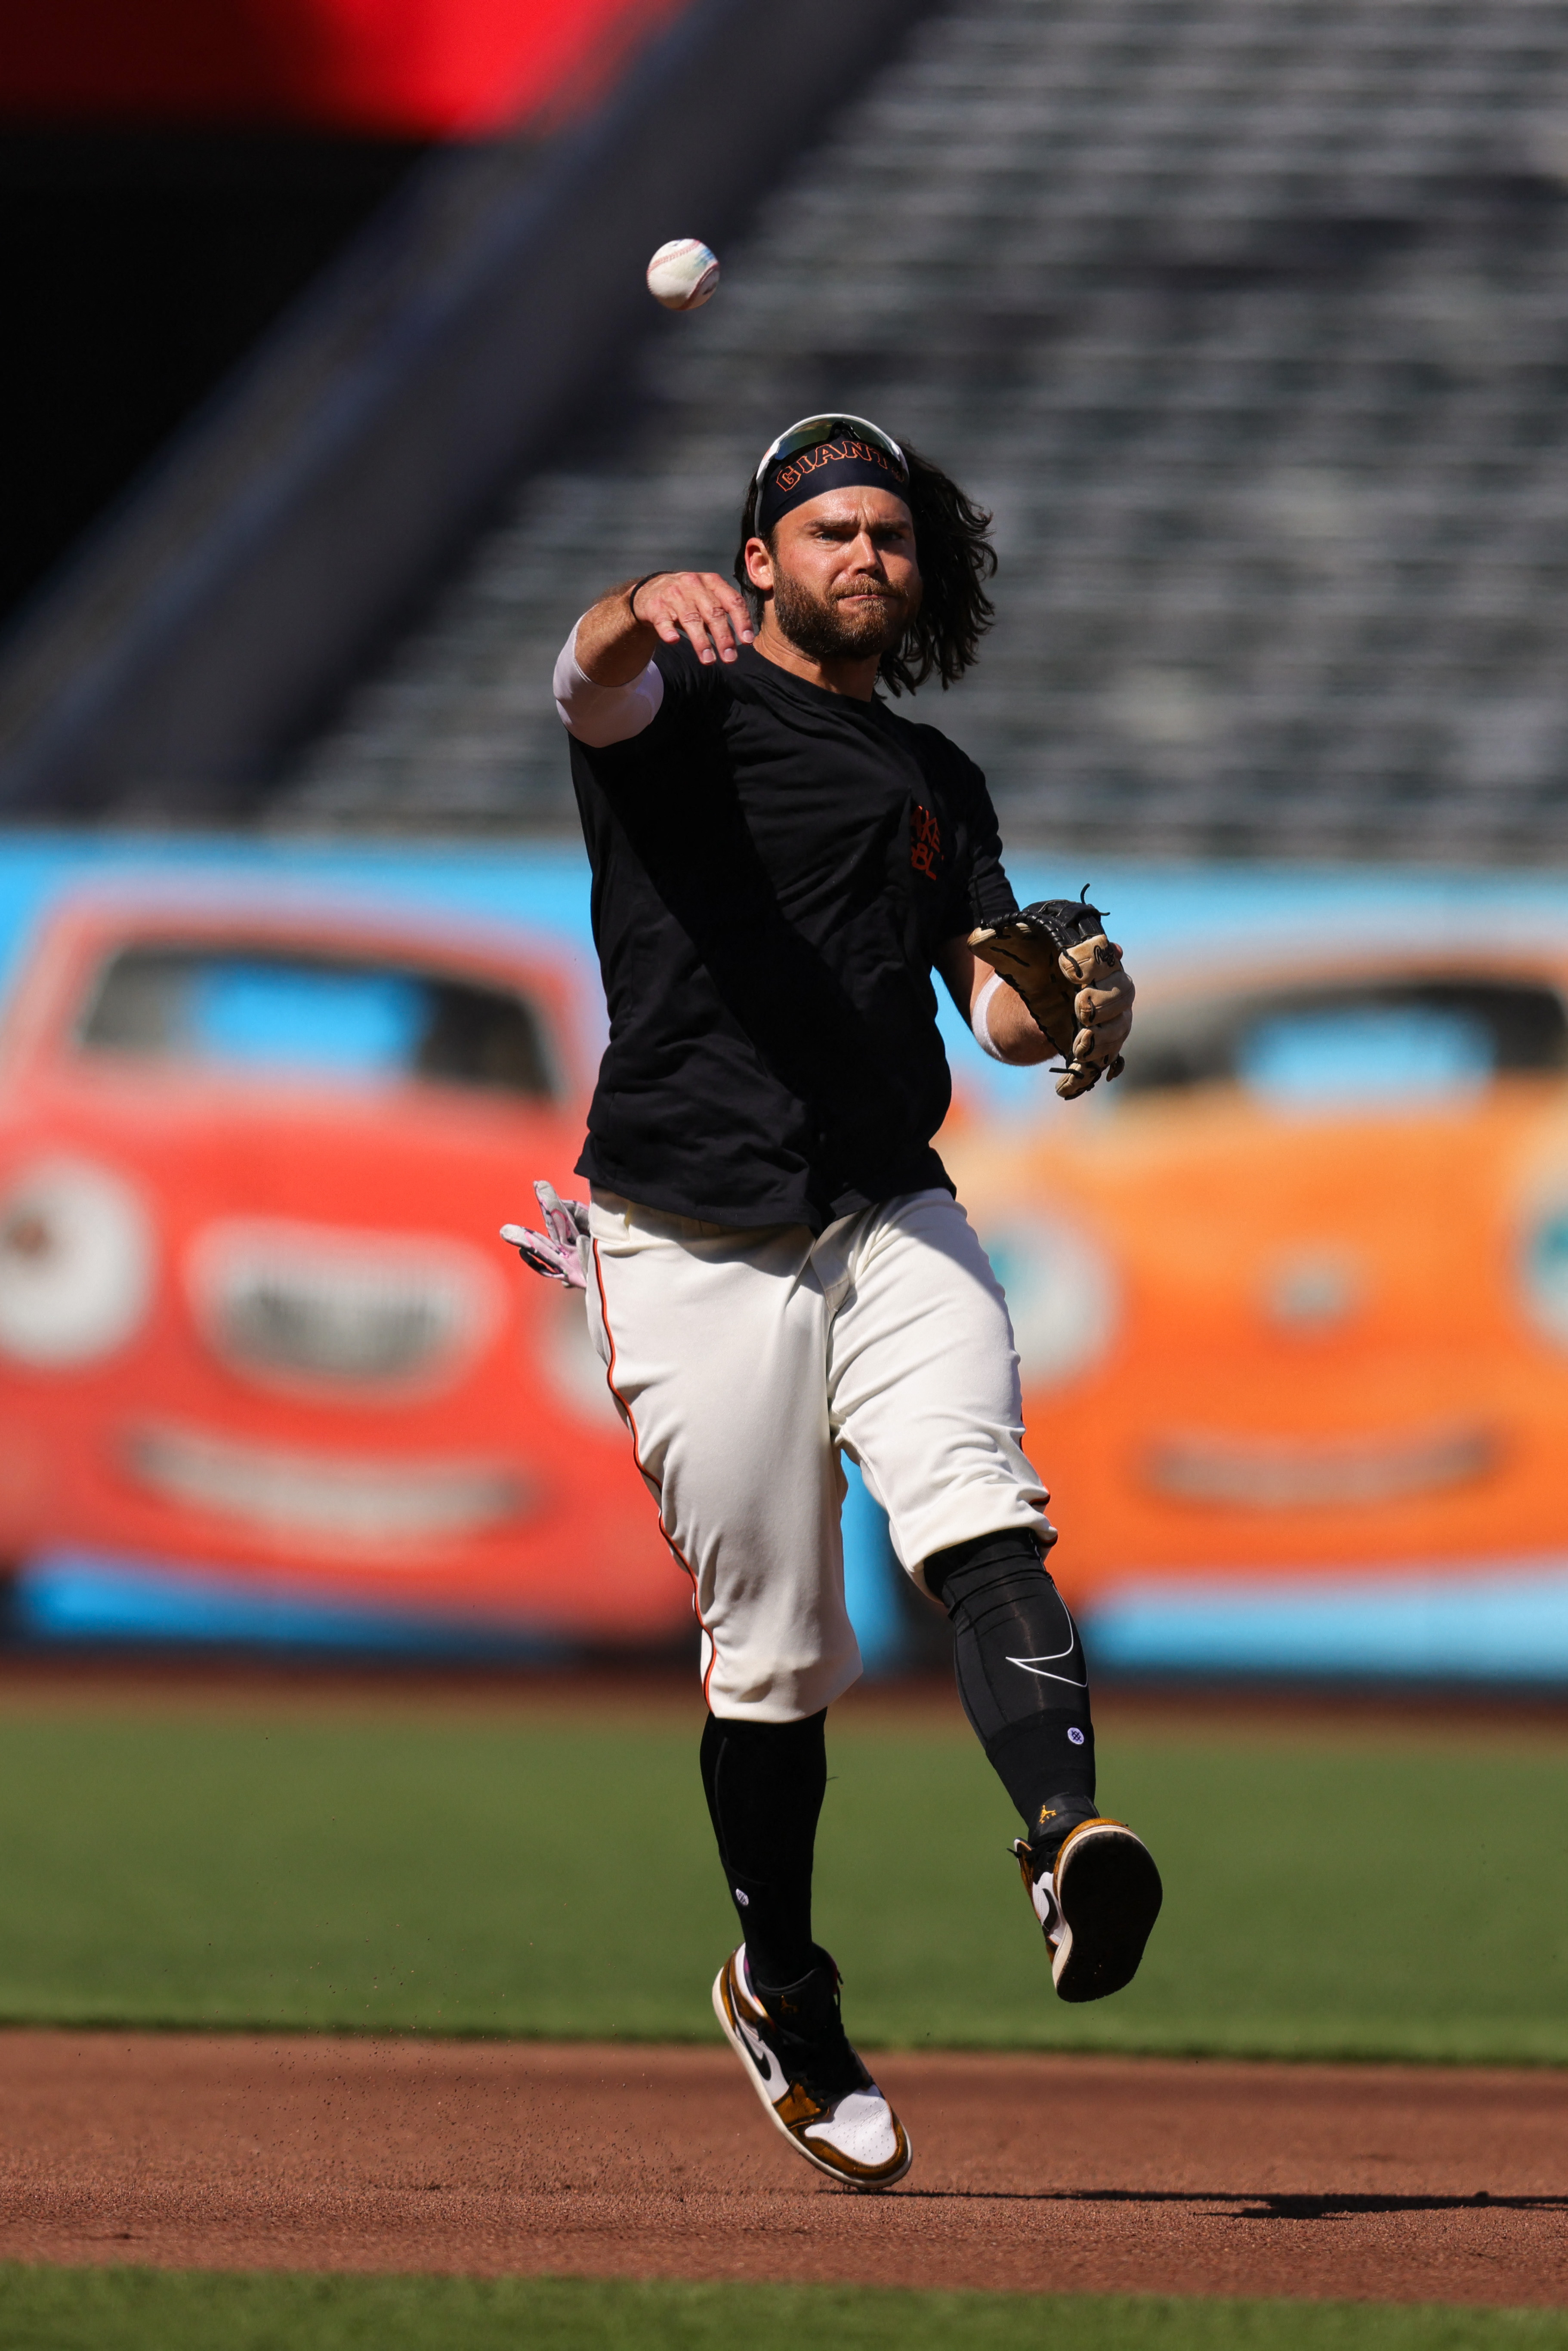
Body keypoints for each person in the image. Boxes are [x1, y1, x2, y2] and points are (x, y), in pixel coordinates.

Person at [549, 414, 1162, 2190]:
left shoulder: (936, 783)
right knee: (779, 1656)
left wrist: (1055, 1003)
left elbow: (997, 1012)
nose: (865, 554)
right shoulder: (683, 711)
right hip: (683, 1231)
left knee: (977, 1501)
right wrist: (625, 611)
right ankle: (785, 1987)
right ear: (755, 559)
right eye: (826, 528)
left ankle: (1061, 1839)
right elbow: (578, 680)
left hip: (882, 1205)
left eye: (889, 532)